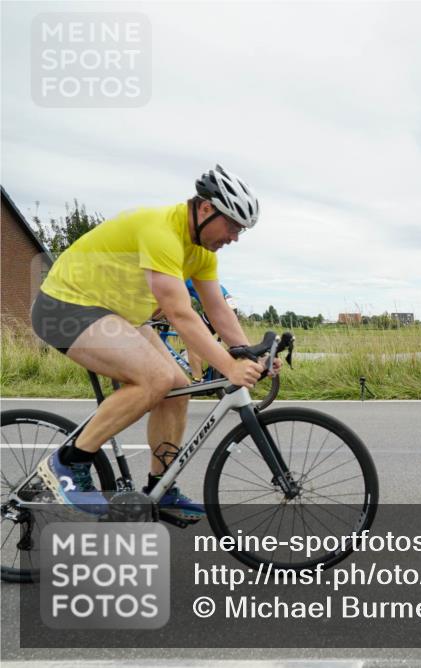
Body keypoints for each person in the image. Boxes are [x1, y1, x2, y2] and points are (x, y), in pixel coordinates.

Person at [30, 165, 278, 520]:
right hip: (65, 306)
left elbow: (217, 309)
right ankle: (69, 464)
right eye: (233, 225)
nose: (235, 236)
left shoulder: (202, 253)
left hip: (116, 315)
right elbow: (179, 313)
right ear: (206, 209)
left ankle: (161, 486)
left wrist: (248, 352)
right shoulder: (161, 230)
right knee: (155, 380)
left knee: (178, 386)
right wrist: (229, 367)